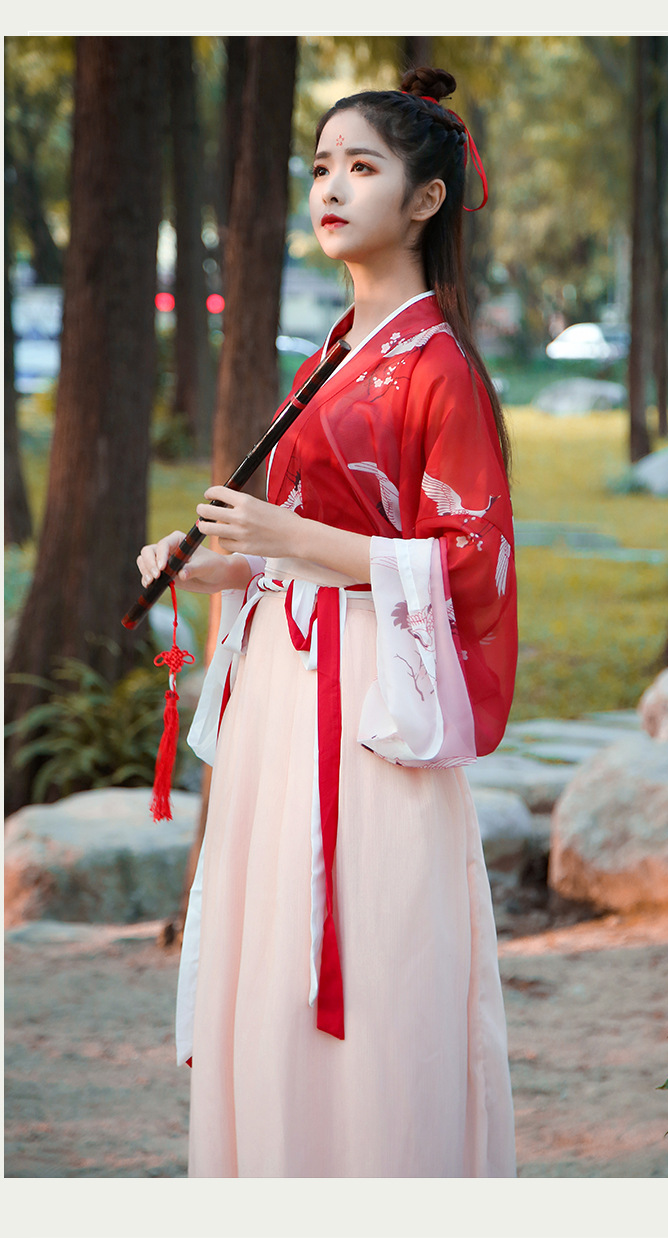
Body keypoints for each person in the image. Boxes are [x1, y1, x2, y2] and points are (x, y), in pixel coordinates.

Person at [137, 66, 518, 1178]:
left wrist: (287, 541)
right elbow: (297, 535)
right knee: (271, 949)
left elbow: (472, 561)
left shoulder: (437, 364)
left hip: (364, 707)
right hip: (284, 700)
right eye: (321, 168)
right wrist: (207, 562)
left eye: (363, 167)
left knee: (373, 944)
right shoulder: (335, 353)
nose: (332, 188)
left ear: (427, 198)